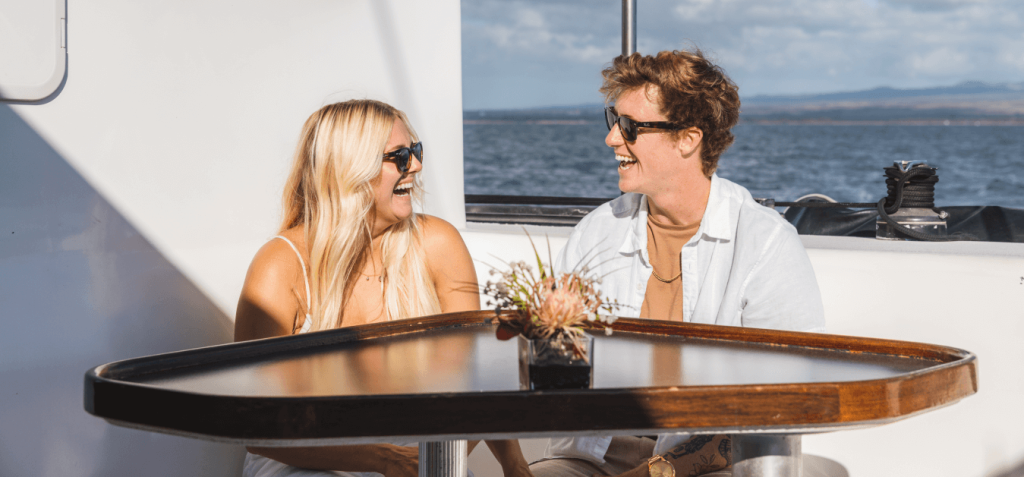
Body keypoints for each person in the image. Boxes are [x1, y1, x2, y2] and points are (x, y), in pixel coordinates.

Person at [531, 50, 826, 477]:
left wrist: (662, 470)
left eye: (631, 127)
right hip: (588, 458)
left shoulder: (764, 244)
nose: (613, 138)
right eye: (613, 121)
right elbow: (553, 365)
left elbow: (788, 402)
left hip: (709, 465)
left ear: (688, 139)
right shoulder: (596, 232)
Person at [235, 100, 531, 477]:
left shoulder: (437, 244)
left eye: (416, 152)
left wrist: (513, 466)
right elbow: (255, 426)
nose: (417, 166)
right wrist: (384, 460)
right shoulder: (281, 266)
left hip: (417, 452)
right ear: (350, 170)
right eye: (400, 157)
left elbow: (476, 381)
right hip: (309, 458)